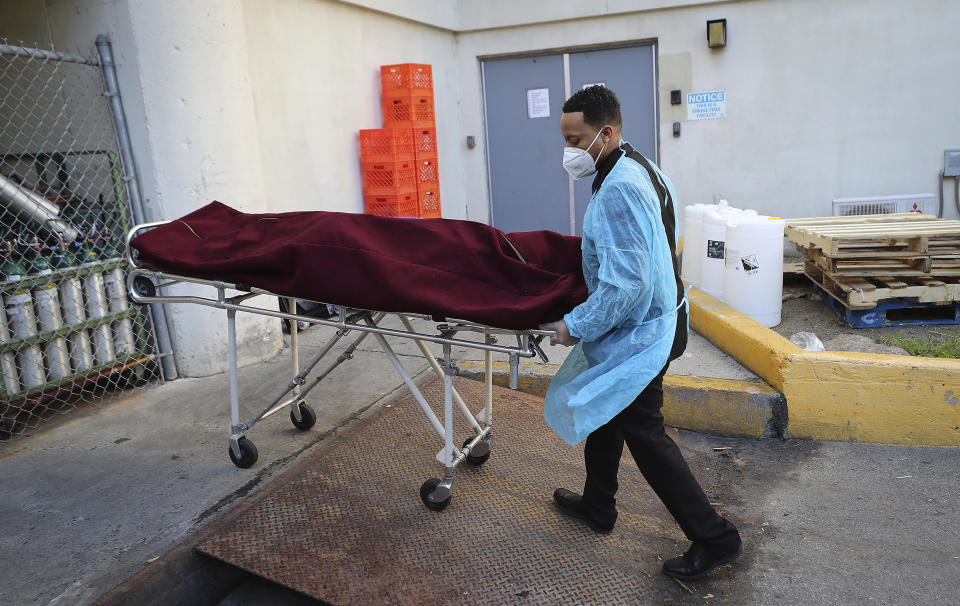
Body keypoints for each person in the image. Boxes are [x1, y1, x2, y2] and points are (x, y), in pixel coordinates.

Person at [539, 86, 742, 581]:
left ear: (604, 133)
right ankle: (597, 504)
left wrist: (574, 325)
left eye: (576, 138)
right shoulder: (638, 167)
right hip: (659, 318)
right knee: (606, 413)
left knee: (645, 435)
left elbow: (627, 285)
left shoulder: (620, 188)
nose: (569, 150)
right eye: (564, 139)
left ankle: (714, 537)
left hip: (642, 334)